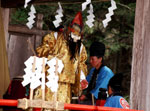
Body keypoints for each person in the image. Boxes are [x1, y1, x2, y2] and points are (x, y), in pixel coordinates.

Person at [33, 12, 87, 110]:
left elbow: (81, 64)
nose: (75, 38)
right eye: (73, 35)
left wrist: (82, 78)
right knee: (46, 106)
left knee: (62, 107)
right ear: (68, 31)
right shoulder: (55, 37)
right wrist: (53, 55)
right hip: (49, 79)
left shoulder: (80, 47)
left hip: (66, 85)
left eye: (77, 36)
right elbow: (41, 50)